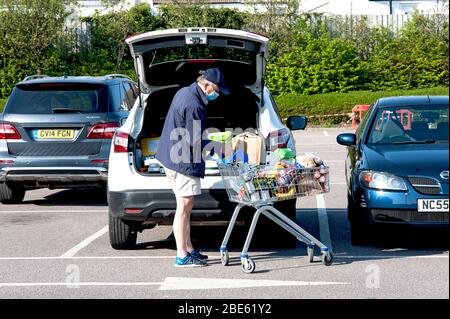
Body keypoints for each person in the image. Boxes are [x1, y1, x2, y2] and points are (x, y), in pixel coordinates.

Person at [156, 68, 229, 268]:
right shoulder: (193, 104)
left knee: (186, 207)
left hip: (172, 156)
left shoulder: (185, 92)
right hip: (181, 161)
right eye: (216, 89)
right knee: (184, 207)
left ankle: (189, 249)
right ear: (205, 85)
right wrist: (222, 150)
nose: (218, 94)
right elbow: (196, 141)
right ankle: (182, 255)